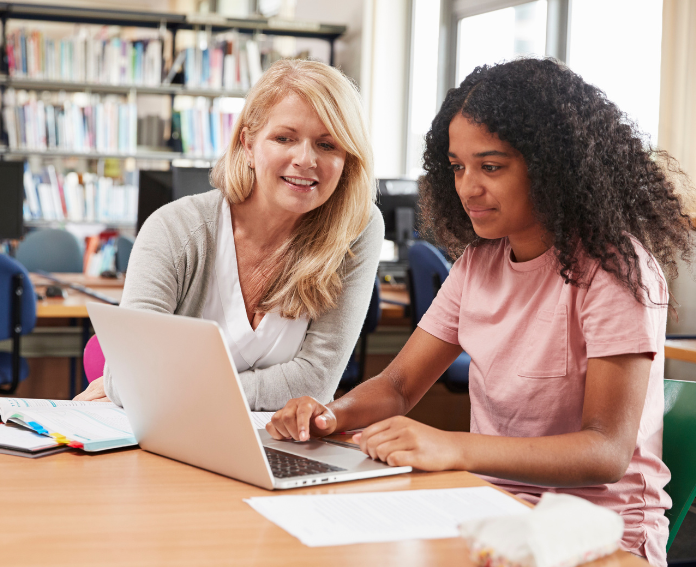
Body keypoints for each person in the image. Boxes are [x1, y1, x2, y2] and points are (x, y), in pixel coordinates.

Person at [267, 58, 694, 566]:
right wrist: (330, 414)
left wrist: (455, 447)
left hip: (596, 534)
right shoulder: (479, 263)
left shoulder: (616, 272)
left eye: (491, 167)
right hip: (491, 513)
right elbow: (400, 386)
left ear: (552, 165)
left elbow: (605, 452)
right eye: (457, 167)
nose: (467, 187)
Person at [75, 58, 382, 411]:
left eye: (327, 145)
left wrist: (169, 389)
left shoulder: (355, 226)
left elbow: (315, 382)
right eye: (284, 138)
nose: (305, 159)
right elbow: (129, 378)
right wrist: (140, 384)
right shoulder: (174, 229)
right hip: (169, 442)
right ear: (248, 144)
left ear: (347, 159)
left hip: (278, 451)